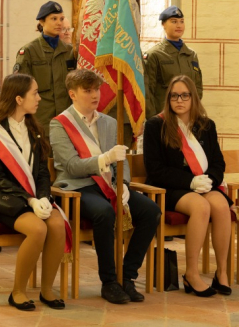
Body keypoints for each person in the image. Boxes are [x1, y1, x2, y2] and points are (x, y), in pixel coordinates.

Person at [50, 69, 160, 304]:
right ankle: (109, 282)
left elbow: (122, 160)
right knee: (104, 212)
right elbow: (71, 166)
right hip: (77, 188)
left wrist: (125, 184)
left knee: (151, 211)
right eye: (87, 90)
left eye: (97, 89)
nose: (95, 95)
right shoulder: (59, 124)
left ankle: (127, 276)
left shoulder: (110, 122)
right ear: (72, 94)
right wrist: (105, 159)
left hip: (110, 184)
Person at [0, 74, 70, 311]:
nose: (39, 98)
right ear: (19, 98)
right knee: (38, 229)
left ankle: (47, 290)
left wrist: (44, 197)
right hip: (3, 199)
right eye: (35, 93)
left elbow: (42, 172)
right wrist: (30, 199)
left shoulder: (34, 128)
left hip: (34, 199)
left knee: (58, 226)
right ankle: (17, 291)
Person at [144, 75, 231, 297]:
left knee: (221, 206)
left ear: (193, 97)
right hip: (170, 188)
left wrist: (209, 179)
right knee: (201, 207)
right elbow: (155, 169)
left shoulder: (206, 125)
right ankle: (191, 274)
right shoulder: (156, 125)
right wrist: (190, 181)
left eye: (184, 95)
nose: (179, 100)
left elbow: (218, 161)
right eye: (174, 96)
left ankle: (221, 272)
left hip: (203, 184)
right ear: (168, 99)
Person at [14, 1, 76, 136]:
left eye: (61, 19)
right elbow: (20, 89)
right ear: (41, 22)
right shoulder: (29, 51)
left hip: (67, 120)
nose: (59, 23)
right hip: (40, 121)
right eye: (54, 19)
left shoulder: (69, 51)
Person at [144, 6, 203, 120]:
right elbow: (148, 91)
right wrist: (153, 119)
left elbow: (197, 88)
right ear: (163, 25)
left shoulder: (191, 55)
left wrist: (192, 110)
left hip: (187, 117)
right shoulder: (154, 55)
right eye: (174, 21)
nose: (179, 25)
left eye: (181, 21)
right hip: (164, 118)